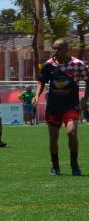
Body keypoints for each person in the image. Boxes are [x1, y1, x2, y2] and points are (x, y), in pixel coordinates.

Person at [35, 39, 89, 175]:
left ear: (66, 49)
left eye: (59, 48)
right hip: (53, 107)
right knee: (53, 137)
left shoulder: (77, 64)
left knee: (72, 133)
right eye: (54, 48)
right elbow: (41, 81)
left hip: (71, 106)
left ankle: (74, 164)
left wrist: (85, 98)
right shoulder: (48, 65)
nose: (55, 51)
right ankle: (55, 166)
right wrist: (37, 95)